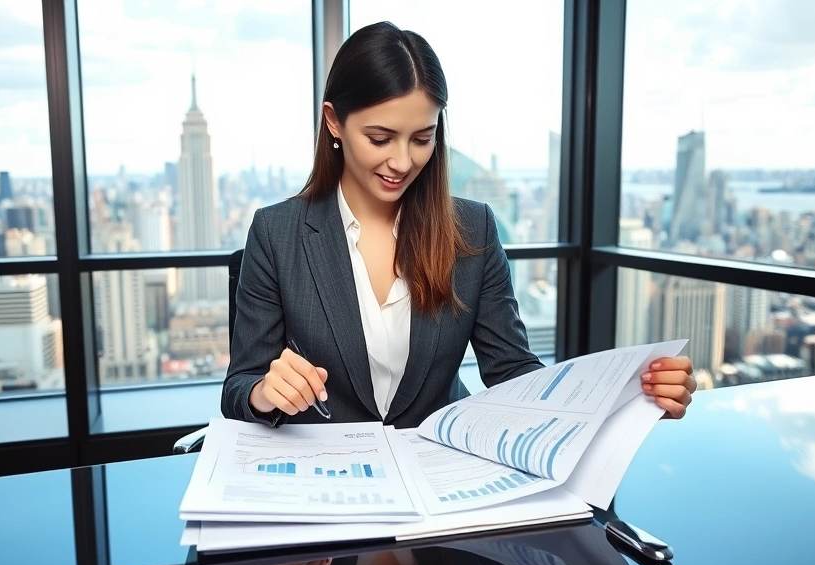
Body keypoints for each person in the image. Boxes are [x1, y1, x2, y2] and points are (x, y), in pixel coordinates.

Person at [222, 21, 695, 429]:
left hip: (443, 481)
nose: (403, 162)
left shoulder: (473, 230)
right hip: (329, 485)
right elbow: (238, 389)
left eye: (422, 138)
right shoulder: (276, 233)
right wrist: (266, 392)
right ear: (334, 123)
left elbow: (515, 373)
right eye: (380, 137)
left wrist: (628, 394)